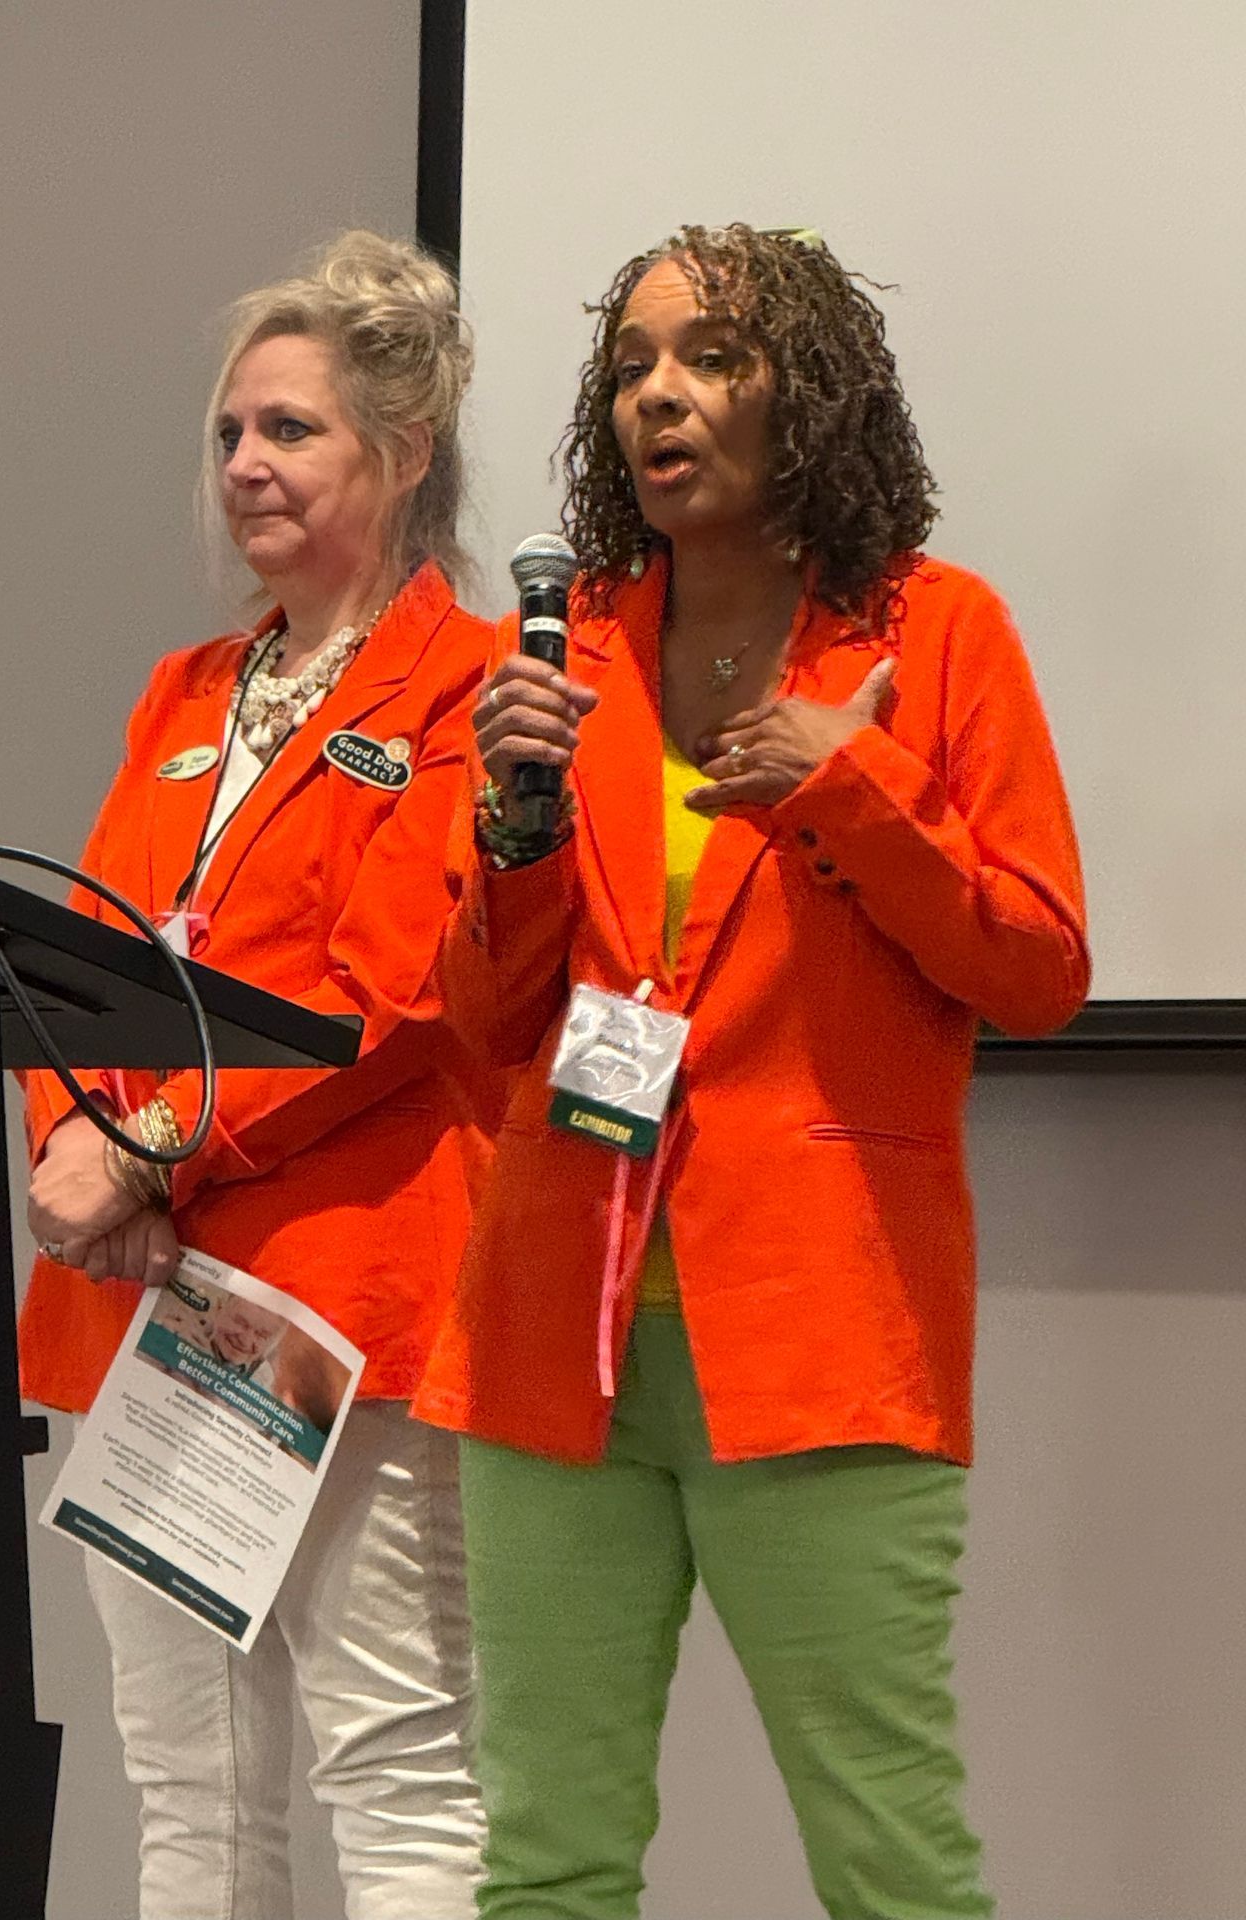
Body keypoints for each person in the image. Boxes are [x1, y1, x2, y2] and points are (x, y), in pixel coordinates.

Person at [416, 223, 1089, 1919]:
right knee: (544, 1863)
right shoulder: (563, 660)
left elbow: (1038, 969)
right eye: (633, 364)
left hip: (816, 1330)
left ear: (816, 398)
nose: (662, 394)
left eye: (714, 357)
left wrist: (850, 790)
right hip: (550, 1338)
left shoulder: (936, 638)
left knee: (889, 1855)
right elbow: (491, 1031)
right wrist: (506, 827)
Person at [20, 230, 489, 1920]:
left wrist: (151, 1153)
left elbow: (391, 991)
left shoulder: (475, 687)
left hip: (341, 1297)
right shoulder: (185, 692)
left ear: (406, 447)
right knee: (189, 1791)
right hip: (139, 1304)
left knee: (397, 1765)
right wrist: (85, 1163)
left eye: (288, 429)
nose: (243, 465)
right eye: (230, 434)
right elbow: (69, 964)